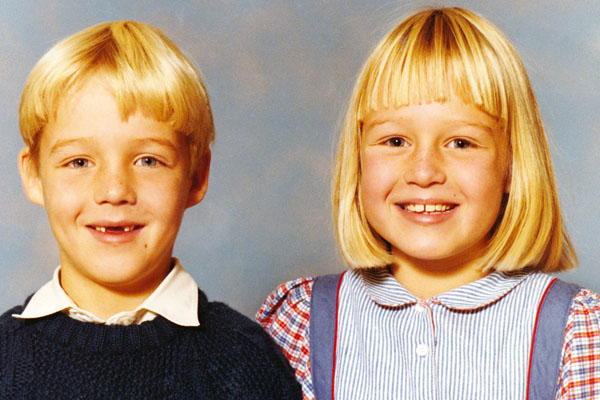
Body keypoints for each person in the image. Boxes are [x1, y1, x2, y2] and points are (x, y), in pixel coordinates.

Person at [257, 7, 600, 399]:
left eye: (460, 143)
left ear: (511, 167)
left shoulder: (576, 331)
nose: (423, 172)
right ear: (358, 161)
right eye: (395, 141)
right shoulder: (302, 321)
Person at [0, 20, 301, 399]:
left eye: (148, 160)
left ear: (196, 177)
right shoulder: (5, 359)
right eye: (79, 162)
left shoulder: (245, 361)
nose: (114, 191)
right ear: (33, 176)